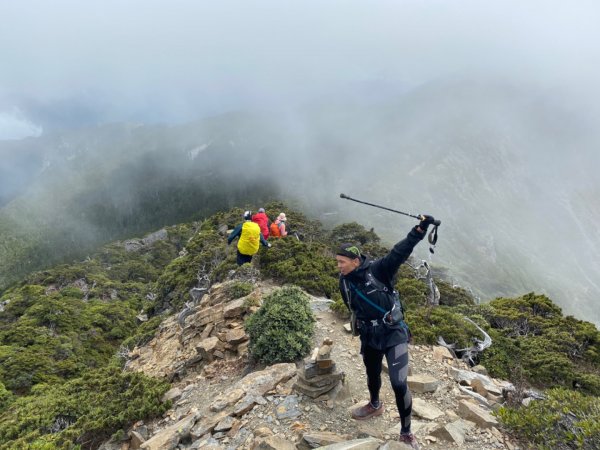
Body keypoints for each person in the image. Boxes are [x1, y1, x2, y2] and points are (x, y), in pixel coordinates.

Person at [336, 215, 437, 450]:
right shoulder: (344, 281)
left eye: (342, 262)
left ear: (355, 260)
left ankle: (406, 431)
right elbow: (351, 306)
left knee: (399, 383)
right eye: (338, 262)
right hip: (370, 335)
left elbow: (399, 251)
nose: (339, 266)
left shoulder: (380, 270)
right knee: (372, 374)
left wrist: (420, 229)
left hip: (393, 332)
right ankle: (374, 404)